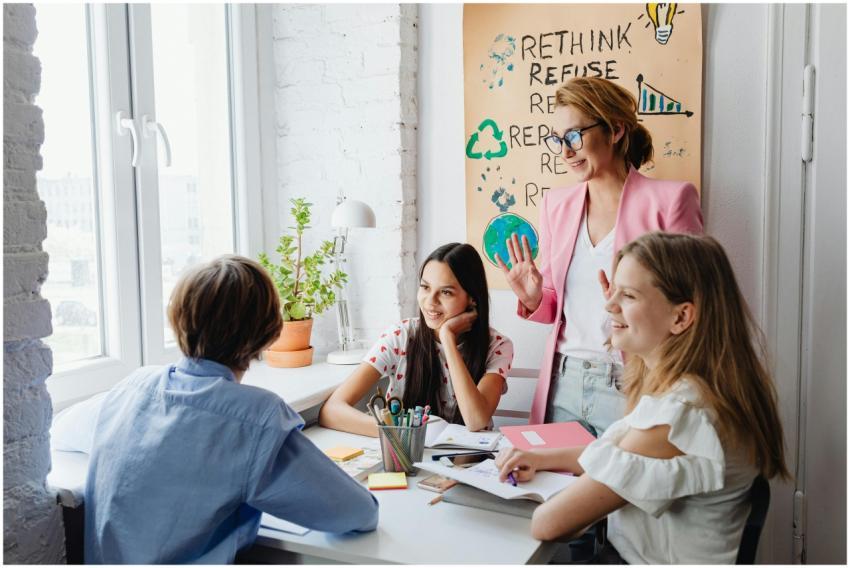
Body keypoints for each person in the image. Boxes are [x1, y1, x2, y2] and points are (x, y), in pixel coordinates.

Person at [495, 232, 789, 564]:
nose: (609, 305)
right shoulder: (699, 389)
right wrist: (543, 457)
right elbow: (624, 453)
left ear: (680, 317)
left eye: (629, 295)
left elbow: (549, 523)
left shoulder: (678, 415)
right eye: (613, 290)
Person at [84, 255, 379, 564]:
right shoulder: (255, 419)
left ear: (178, 319)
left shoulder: (131, 387)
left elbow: (65, 432)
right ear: (269, 333)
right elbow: (358, 513)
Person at [496, 77, 704, 435]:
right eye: (558, 140)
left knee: (626, 490)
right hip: (563, 381)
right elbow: (556, 305)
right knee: (553, 489)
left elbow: (694, 305)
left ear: (616, 130)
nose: (565, 151)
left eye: (575, 136)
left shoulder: (670, 202)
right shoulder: (555, 205)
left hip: (633, 382)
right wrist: (533, 299)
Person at [320, 243, 514, 435]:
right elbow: (331, 411)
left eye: (446, 292)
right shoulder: (400, 336)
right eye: (425, 287)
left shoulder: (497, 345)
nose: (430, 301)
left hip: (469, 463)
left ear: (472, 298)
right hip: (408, 454)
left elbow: (476, 421)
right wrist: (401, 432)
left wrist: (447, 338)